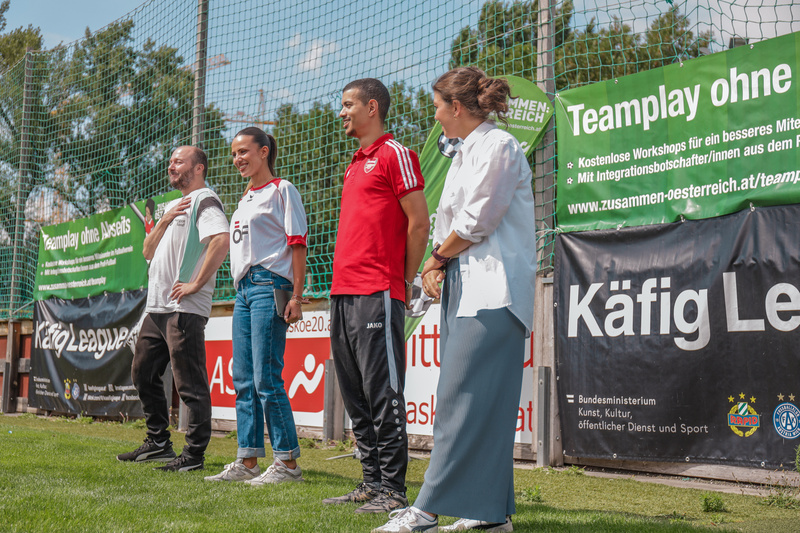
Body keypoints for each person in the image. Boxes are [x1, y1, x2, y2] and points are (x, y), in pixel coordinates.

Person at [374, 67, 537, 532]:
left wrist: (434, 261)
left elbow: (478, 221)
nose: (436, 117)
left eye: (438, 108)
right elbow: (454, 223)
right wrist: (438, 264)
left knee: (458, 400)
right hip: (468, 286)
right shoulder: (469, 152)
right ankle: (492, 516)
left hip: (494, 289)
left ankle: (425, 511)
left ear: (457, 108)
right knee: (482, 403)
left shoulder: (499, 146)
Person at [323, 78, 430, 514]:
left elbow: (419, 223)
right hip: (342, 293)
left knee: (383, 393)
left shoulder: (396, 154)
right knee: (356, 396)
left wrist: (401, 283)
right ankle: (370, 482)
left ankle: (394, 489)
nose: (342, 112)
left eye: (347, 105)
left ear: (372, 107)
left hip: (378, 291)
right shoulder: (353, 164)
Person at [204, 127, 309, 485]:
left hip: (269, 286)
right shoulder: (245, 197)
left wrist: (296, 295)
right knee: (243, 379)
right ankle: (247, 459)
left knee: (267, 377)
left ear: (264, 152)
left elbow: (297, 244)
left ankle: (287, 464)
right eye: (234, 154)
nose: (238, 159)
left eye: (244, 151)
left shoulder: (283, 190)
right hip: (243, 291)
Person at [117, 145, 230, 472]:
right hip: (157, 308)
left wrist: (194, 284)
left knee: (189, 384)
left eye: (179, 161)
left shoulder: (205, 199)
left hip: (184, 308)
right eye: (170, 162)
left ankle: (193, 455)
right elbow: (147, 250)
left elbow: (220, 240)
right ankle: (158, 443)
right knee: (142, 371)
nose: (172, 166)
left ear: (198, 168)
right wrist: (164, 220)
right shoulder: (172, 206)